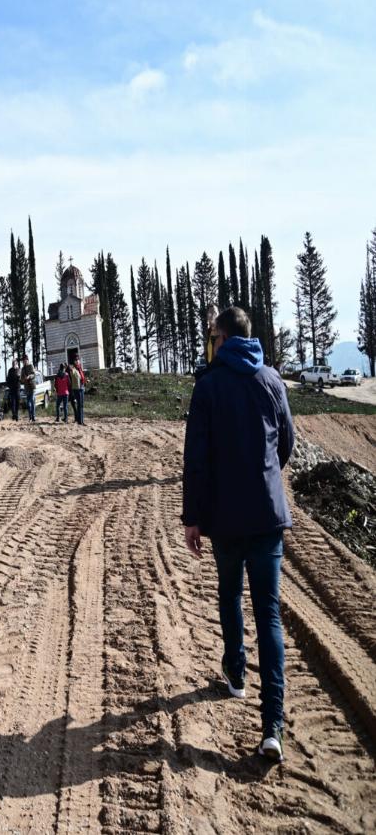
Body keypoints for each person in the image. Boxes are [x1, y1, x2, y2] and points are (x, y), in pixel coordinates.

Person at [182, 306, 294, 763]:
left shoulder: (208, 386)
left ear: (224, 339)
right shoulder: (272, 380)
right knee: (269, 614)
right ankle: (272, 727)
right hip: (267, 515)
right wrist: (264, 476)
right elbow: (286, 442)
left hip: (226, 517)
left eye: (213, 336)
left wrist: (193, 517)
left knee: (230, 593)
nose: (211, 342)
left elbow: (196, 459)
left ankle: (236, 673)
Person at [20, 354, 37, 422]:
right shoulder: (22, 369)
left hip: (32, 386)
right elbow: (21, 379)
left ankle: (33, 417)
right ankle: (30, 417)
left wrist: (29, 376)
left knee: (32, 402)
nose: (24, 362)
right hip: (26, 387)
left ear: (27, 360)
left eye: (25, 360)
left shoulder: (31, 366)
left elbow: (34, 374)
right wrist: (24, 379)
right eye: (23, 361)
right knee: (28, 404)